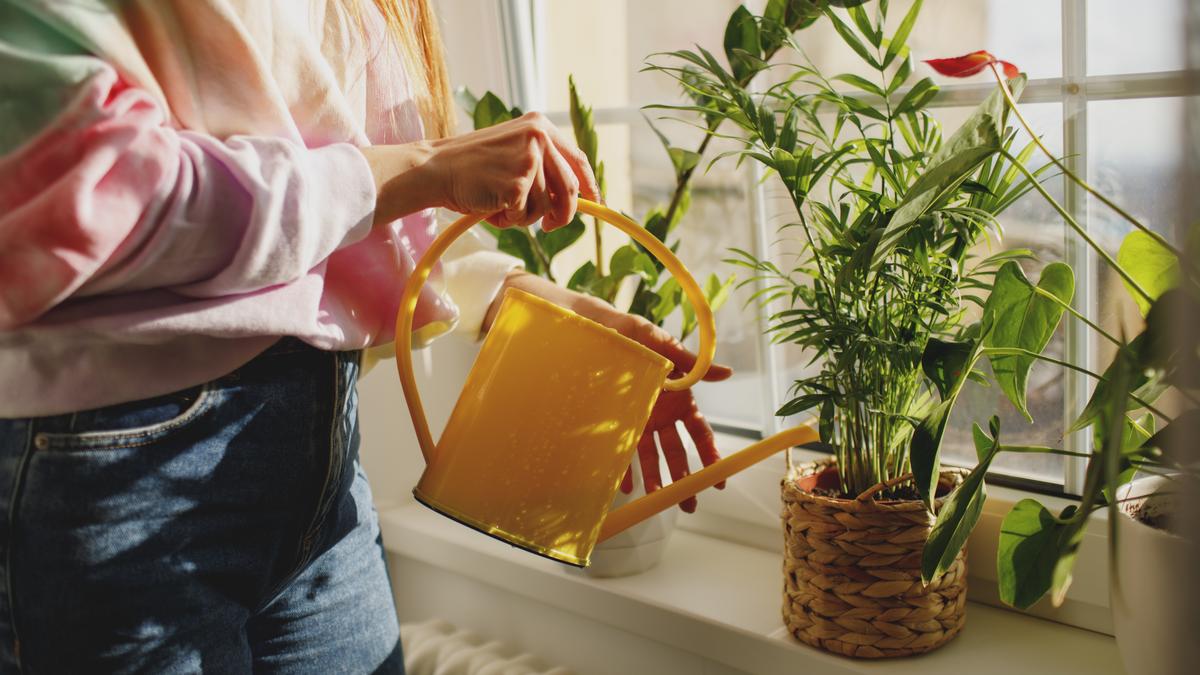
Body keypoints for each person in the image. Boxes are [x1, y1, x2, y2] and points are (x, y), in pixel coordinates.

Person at [0, 0, 729, 672]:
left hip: (322, 475)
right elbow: (96, 184)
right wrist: (426, 168)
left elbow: (340, 193)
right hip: (119, 473)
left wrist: (508, 293)